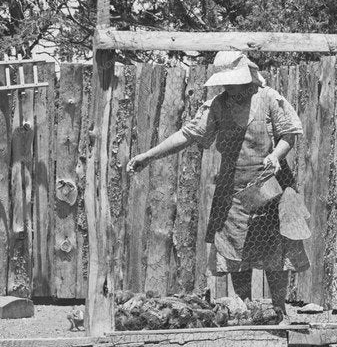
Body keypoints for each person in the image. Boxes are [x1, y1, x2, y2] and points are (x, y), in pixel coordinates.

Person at [127, 51, 306, 316]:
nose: (230, 87)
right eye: (226, 83)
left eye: (234, 82)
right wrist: (148, 156)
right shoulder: (218, 106)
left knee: (275, 252)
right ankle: (247, 311)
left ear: (246, 78)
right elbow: (187, 135)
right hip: (233, 191)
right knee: (236, 252)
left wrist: (276, 155)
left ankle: (279, 310)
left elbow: (289, 134)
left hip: (272, 188)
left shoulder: (268, 98)